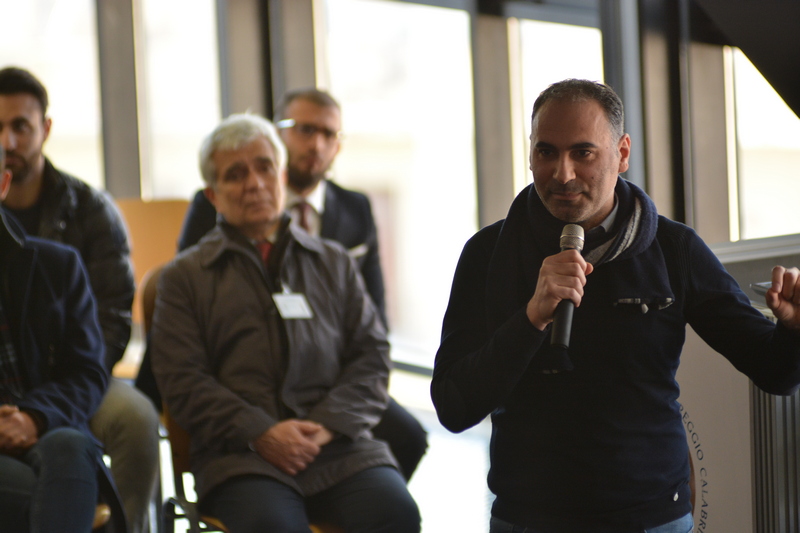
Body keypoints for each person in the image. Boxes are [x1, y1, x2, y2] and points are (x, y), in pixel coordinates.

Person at [431, 78, 800, 533]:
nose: (562, 173)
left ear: (622, 154)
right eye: (546, 152)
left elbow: (777, 372)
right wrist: (531, 318)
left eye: (583, 153)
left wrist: (793, 330)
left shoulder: (673, 249)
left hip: (651, 518)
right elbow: (453, 406)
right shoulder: (489, 253)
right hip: (528, 518)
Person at [150, 113, 420, 532]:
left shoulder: (333, 262)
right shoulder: (184, 278)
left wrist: (326, 426)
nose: (255, 183)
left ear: (282, 177)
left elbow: (371, 356)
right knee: (274, 527)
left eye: (265, 168)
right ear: (213, 195)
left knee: (395, 513)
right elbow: (183, 381)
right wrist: (261, 432)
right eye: (236, 174)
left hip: (337, 448)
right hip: (240, 456)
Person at [0, 67, 159, 533]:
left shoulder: (87, 211)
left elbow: (107, 320)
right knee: (50, 481)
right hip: (30, 391)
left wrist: (40, 409)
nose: (8, 140)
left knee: (124, 421)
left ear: (45, 128)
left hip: (70, 373)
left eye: (19, 126)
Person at [0, 143, 123, 532]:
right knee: (48, 495)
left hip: (46, 427)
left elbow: (87, 372)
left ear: (3, 183)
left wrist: (33, 417)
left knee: (71, 447)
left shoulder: (57, 265)